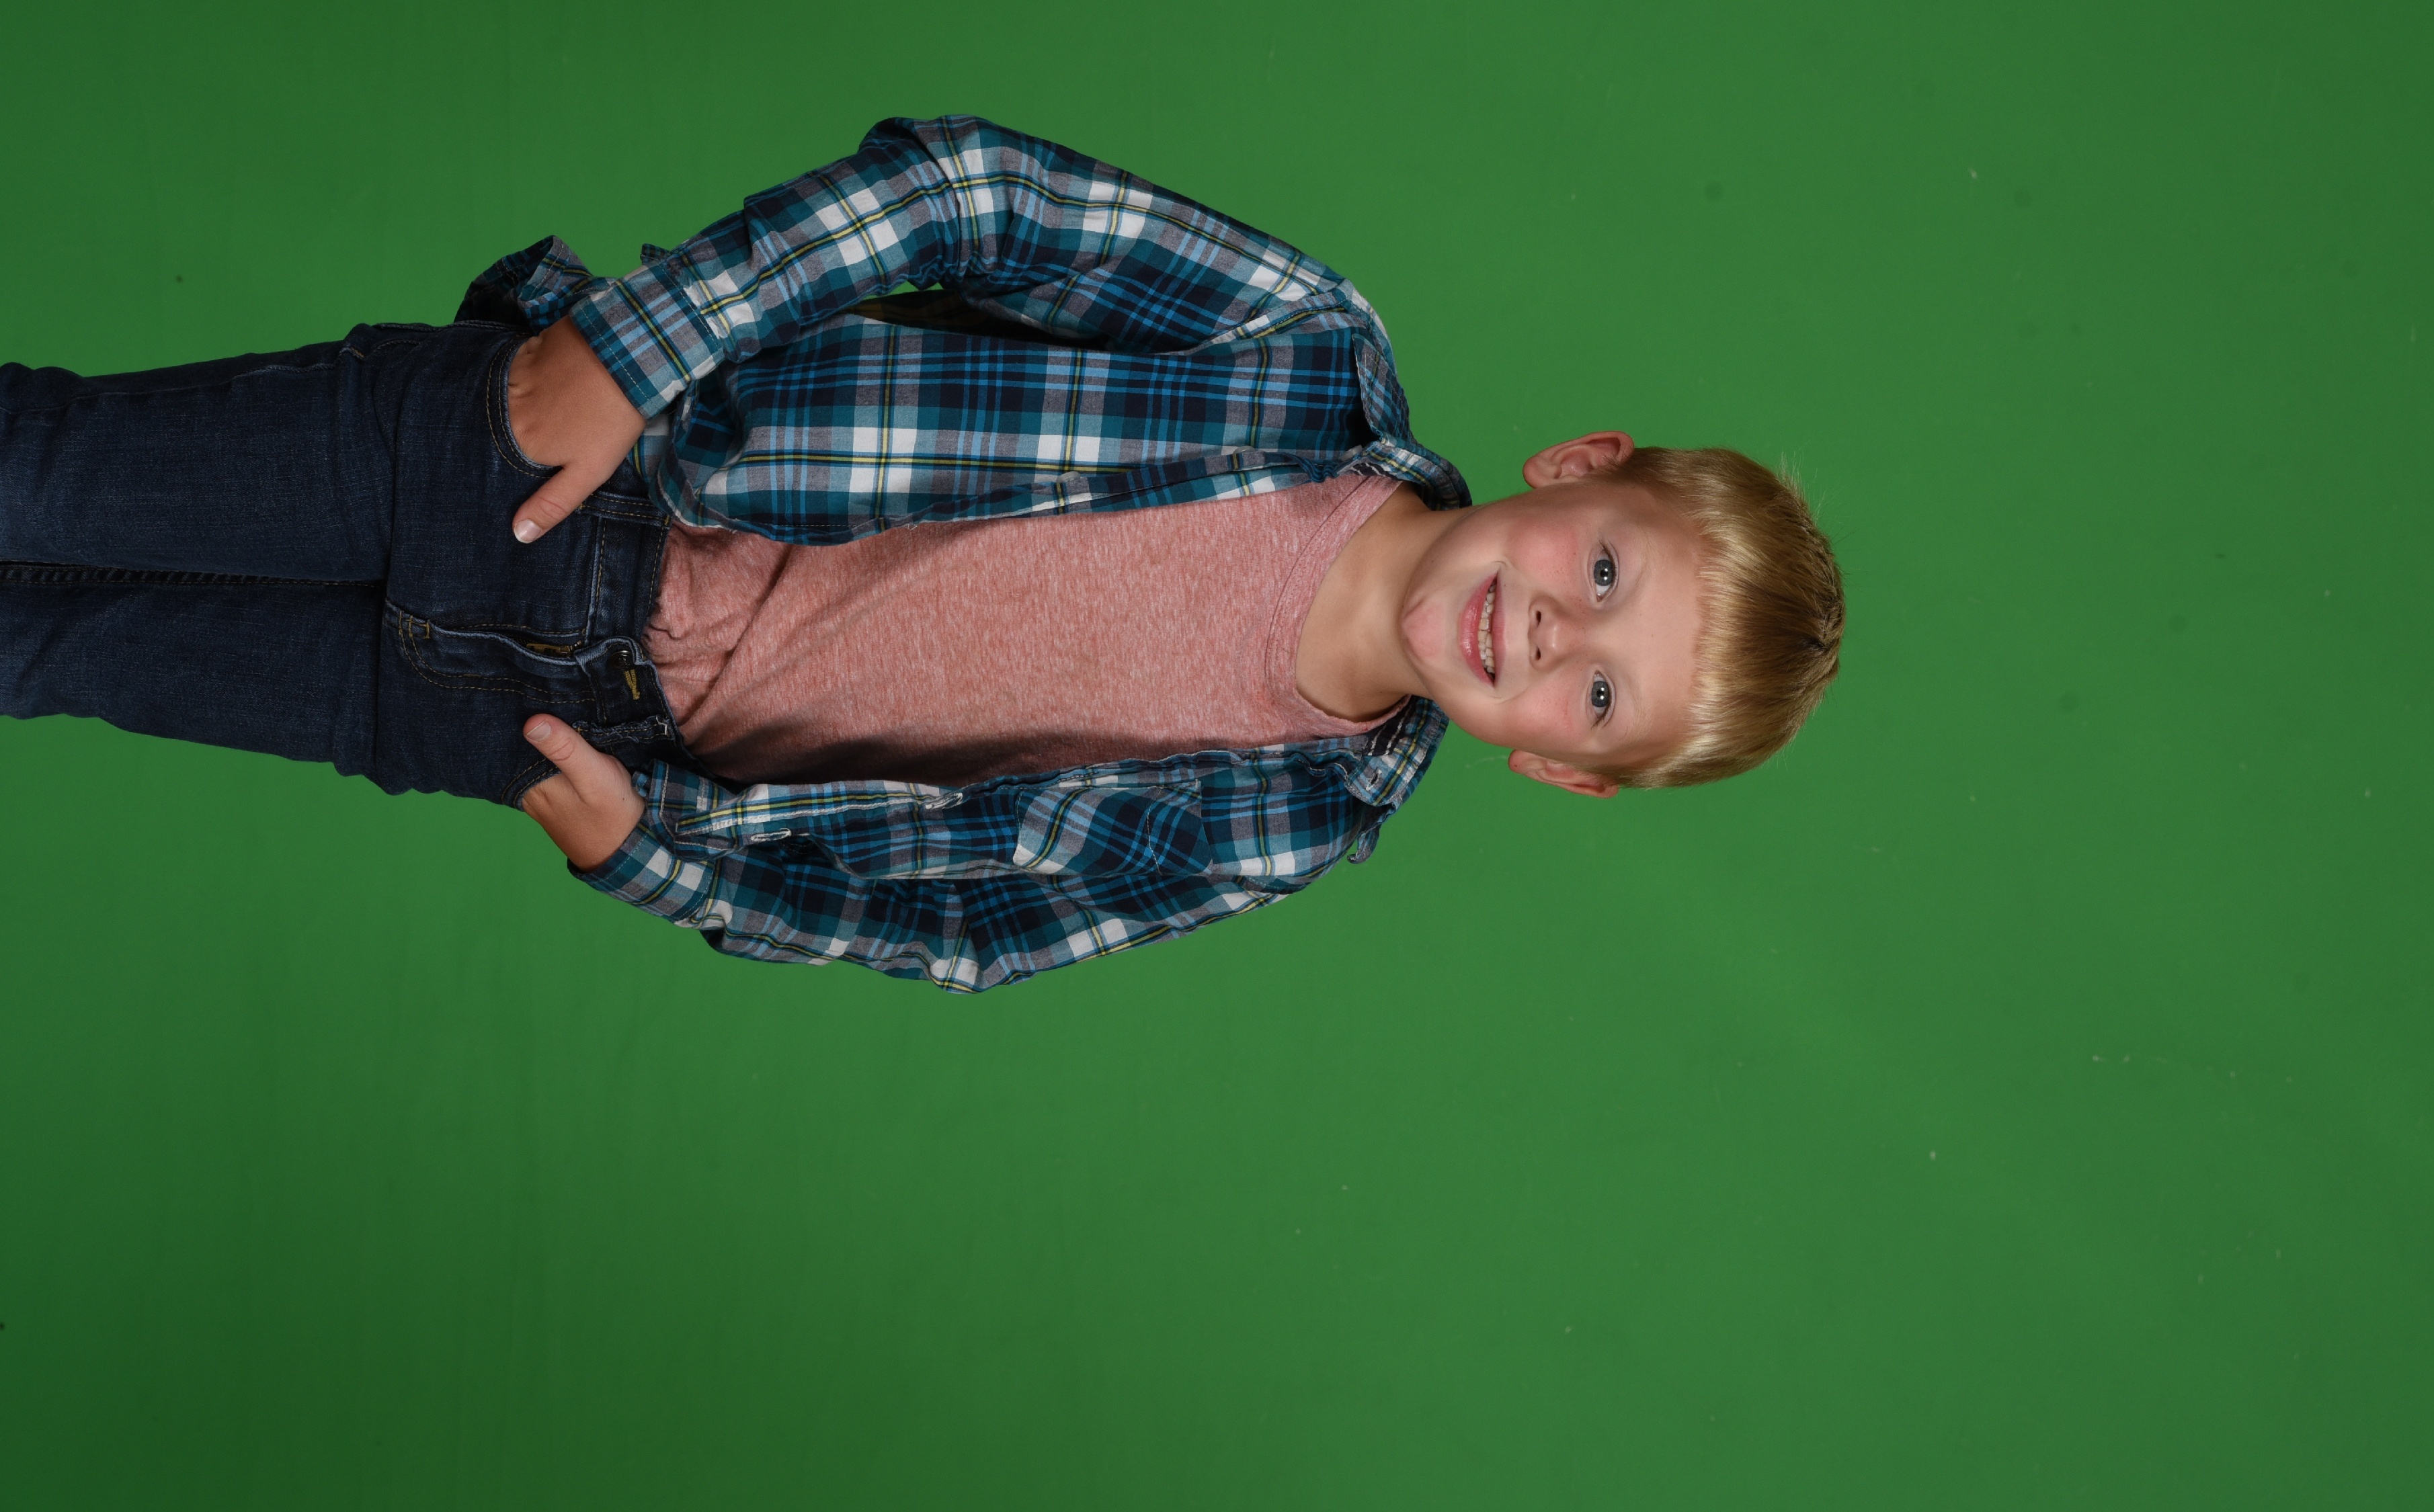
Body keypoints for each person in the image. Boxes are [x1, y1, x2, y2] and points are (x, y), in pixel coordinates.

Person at [0, 116, 1842, 991]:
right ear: (1578, 467)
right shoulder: (1297, 354)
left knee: (52, 650)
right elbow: (976, 195)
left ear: (1559, 766)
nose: (1551, 633)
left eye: (1601, 694)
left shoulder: (1289, 823)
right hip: (552, 460)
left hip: (553, 718)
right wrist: (634, 349)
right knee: (44, 474)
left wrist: (663, 867)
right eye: (1608, 573)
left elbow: (966, 929)